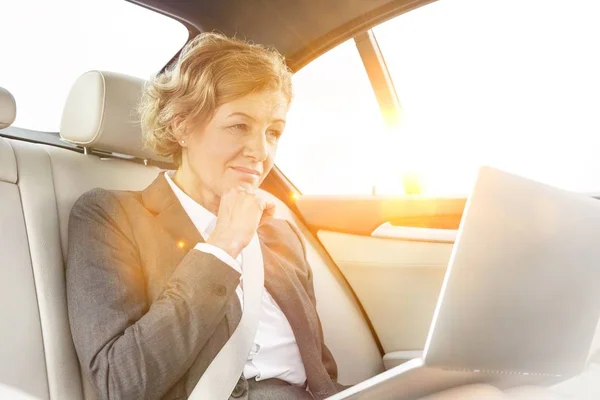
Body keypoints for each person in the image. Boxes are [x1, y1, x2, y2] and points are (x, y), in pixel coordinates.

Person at [66, 32, 341, 400]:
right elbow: (122, 381)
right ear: (181, 125)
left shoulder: (280, 234)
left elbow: (321, 370)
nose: (261, 151)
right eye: (239, 125)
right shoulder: (109, 216)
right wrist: (223, 246)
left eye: (273, 131)